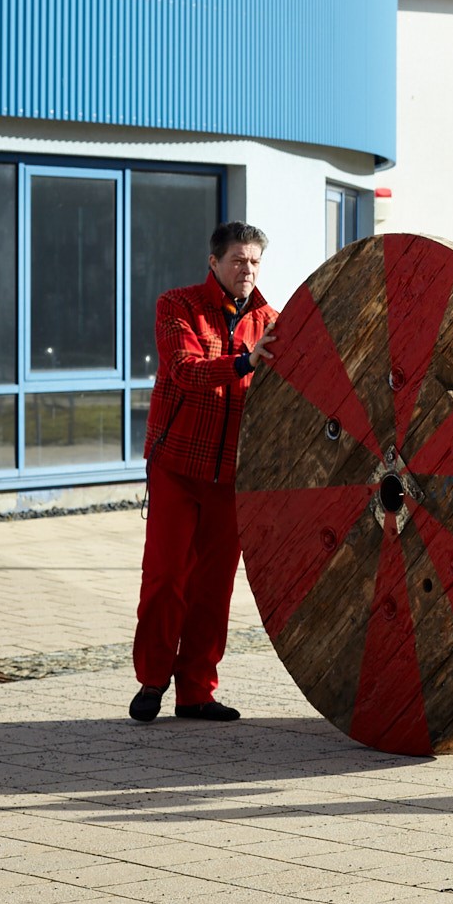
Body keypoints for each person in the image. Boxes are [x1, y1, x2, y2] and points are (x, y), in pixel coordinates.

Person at [129, 222, 278, 724]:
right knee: (166, 577)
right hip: (176, 467)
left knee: (214, 590)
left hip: (231, 478)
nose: (248, 270)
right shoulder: (177, 306)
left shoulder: (271, 322)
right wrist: (243, 364)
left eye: (255, 261)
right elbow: (185, 369)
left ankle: (196, 692)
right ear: (214, 262)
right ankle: (152, 680)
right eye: (239, 260)